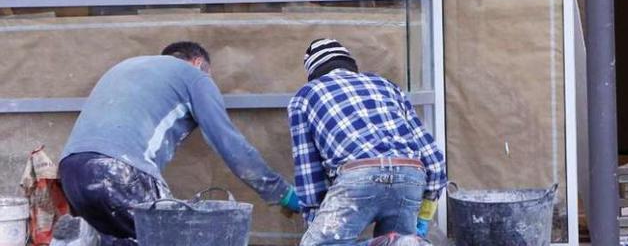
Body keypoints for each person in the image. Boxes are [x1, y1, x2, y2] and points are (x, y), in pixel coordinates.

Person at [58, 41, 300, 245]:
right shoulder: (194, 77)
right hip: (120, 171)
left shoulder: (127, 67)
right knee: (170, 237)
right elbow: (230, 144)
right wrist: (281, 192)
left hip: (72, 172)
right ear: (198, 62)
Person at [288, 39, 446, 246]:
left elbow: (309, 173)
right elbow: (434, 160)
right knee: (403, 242)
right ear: (350, 65)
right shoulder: (387, 86)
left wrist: (316, 219)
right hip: (411, 174)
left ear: (313, 73)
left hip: (359, 175)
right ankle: (404, 243)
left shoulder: (305, 97)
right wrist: (424, 215)